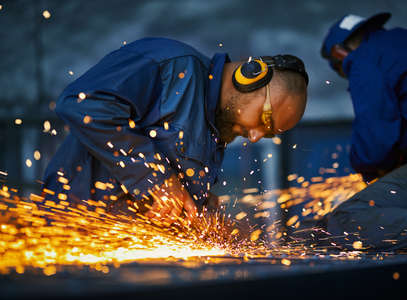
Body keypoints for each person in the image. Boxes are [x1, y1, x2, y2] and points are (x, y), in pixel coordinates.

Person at [43, 37, 308, 226]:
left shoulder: (214, 123)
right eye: (265, 121)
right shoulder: (171, 64)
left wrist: (198, 206)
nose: (255, 136)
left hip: (127, 246)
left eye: (270, 134)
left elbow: (163, 176)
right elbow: (82, 104)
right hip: (76, 226)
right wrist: (157, 179)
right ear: (250, 77)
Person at [319, 12, 407, 251]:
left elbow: (375, 146)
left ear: (340, 54)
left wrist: (367, 172)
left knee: (348, 218)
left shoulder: (364, 60)